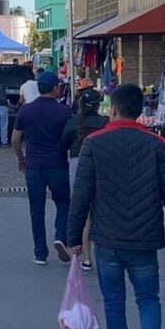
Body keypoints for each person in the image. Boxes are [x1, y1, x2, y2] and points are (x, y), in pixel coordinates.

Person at [68, 83, 165, 329]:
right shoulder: (158, 145)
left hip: (107, 239)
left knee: (113, 303)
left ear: (114, 109)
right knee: (148, 299)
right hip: (145, 239)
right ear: (139, 111)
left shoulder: (94, 144)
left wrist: (73, 238)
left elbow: (81, 195)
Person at [12, 71, 73, 265]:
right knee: (63, 203)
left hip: (34, 165)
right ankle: (60, 237)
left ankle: (40, 252)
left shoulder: (26, 110)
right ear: (55, 88)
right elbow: (70, 137)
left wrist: (21, 158)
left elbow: (15, 138)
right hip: (58, 164)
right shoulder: (64, 111)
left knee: (36, 209)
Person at [60, 88, 109, 269]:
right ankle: (101, 254)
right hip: (102, 167)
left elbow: (62, 144)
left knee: (84, 212)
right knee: (100, 212)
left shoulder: (73, 123)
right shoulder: (105, 123)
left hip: (77, 166)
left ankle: (86, 257)